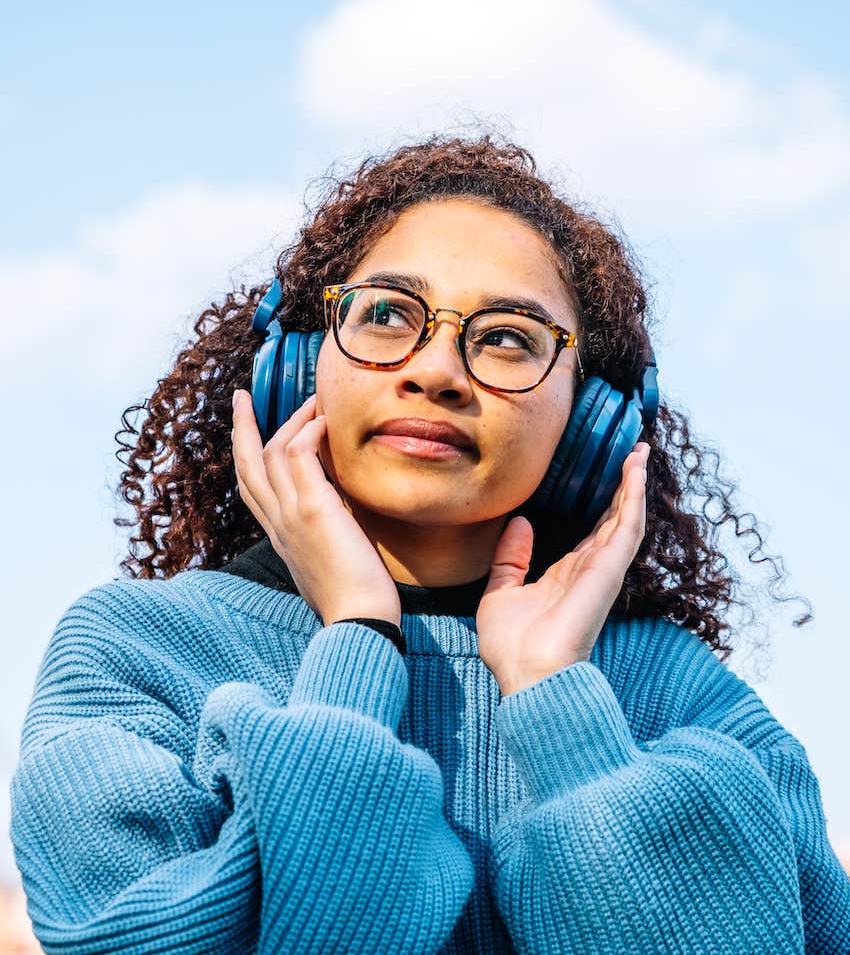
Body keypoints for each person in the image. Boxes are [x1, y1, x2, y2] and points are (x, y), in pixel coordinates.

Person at [10, 132, 849, 954]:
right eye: (385, 316)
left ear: (592, 423)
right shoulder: (133, 650)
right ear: (299, 365)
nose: (438, 370)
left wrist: (561, 706)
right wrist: (357, 638)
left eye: (508, 337)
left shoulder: (679, 695)